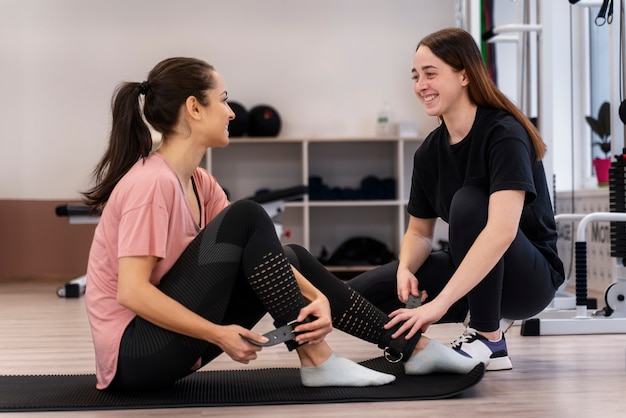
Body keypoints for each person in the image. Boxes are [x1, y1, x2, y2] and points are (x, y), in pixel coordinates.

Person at [81, 57, 482, 391]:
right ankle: (318, 358)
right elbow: (131, 293)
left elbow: (265, 256)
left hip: (170, 348)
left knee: (292, 255)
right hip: (133, 358)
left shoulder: (199, 183)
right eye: (223, 100)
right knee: (249, 214)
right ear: (194, 108)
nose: (232, 112)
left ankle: (412, 347)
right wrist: (217, 333)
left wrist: (317, 296)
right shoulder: (151, 183)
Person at [348, 27, 565, 371]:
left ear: (464, 74)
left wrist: (439, 304)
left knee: (469, 202)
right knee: (356, 293)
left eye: (431, 74)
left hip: (529, 280)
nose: (421, 85)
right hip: (474, 271)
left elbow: (501, 232)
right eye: (416, 76)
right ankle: (408, 346)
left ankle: (489, 339)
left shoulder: (503, 133)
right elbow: (419, 233)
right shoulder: (429, 152)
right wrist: (406, 268)